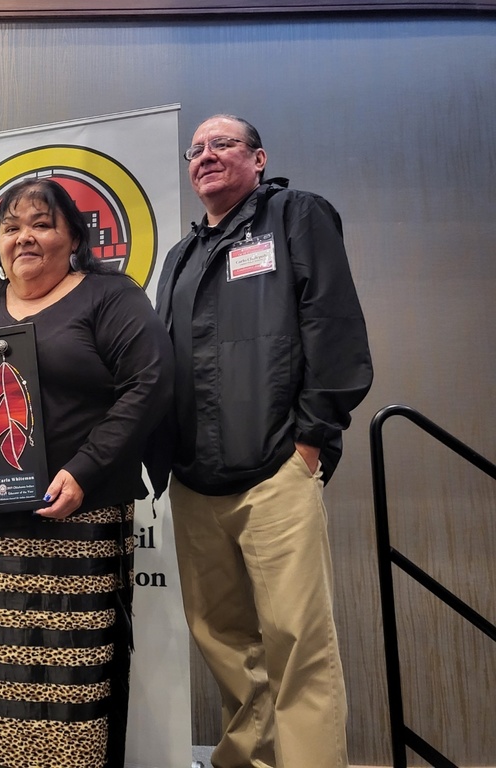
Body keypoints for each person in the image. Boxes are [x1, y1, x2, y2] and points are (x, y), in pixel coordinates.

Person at [0, 178, 174, 768]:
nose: (23, 237)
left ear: (74, 238)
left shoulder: (110, 297)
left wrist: (86, 469)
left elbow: (150, 383)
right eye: (10, 227)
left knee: (57, 672)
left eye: (41, 223)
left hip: (69, 519)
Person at [155, 114, 373, 768]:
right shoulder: (181, 256)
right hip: (195, 482)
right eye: (196, 149)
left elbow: (333, 326)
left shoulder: (296, 216)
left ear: (258, 157)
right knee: (222, 641)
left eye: (223, 144)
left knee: (297, 643)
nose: (206, 155)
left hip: (278, 469)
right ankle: (246, 761)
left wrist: (313, 440)